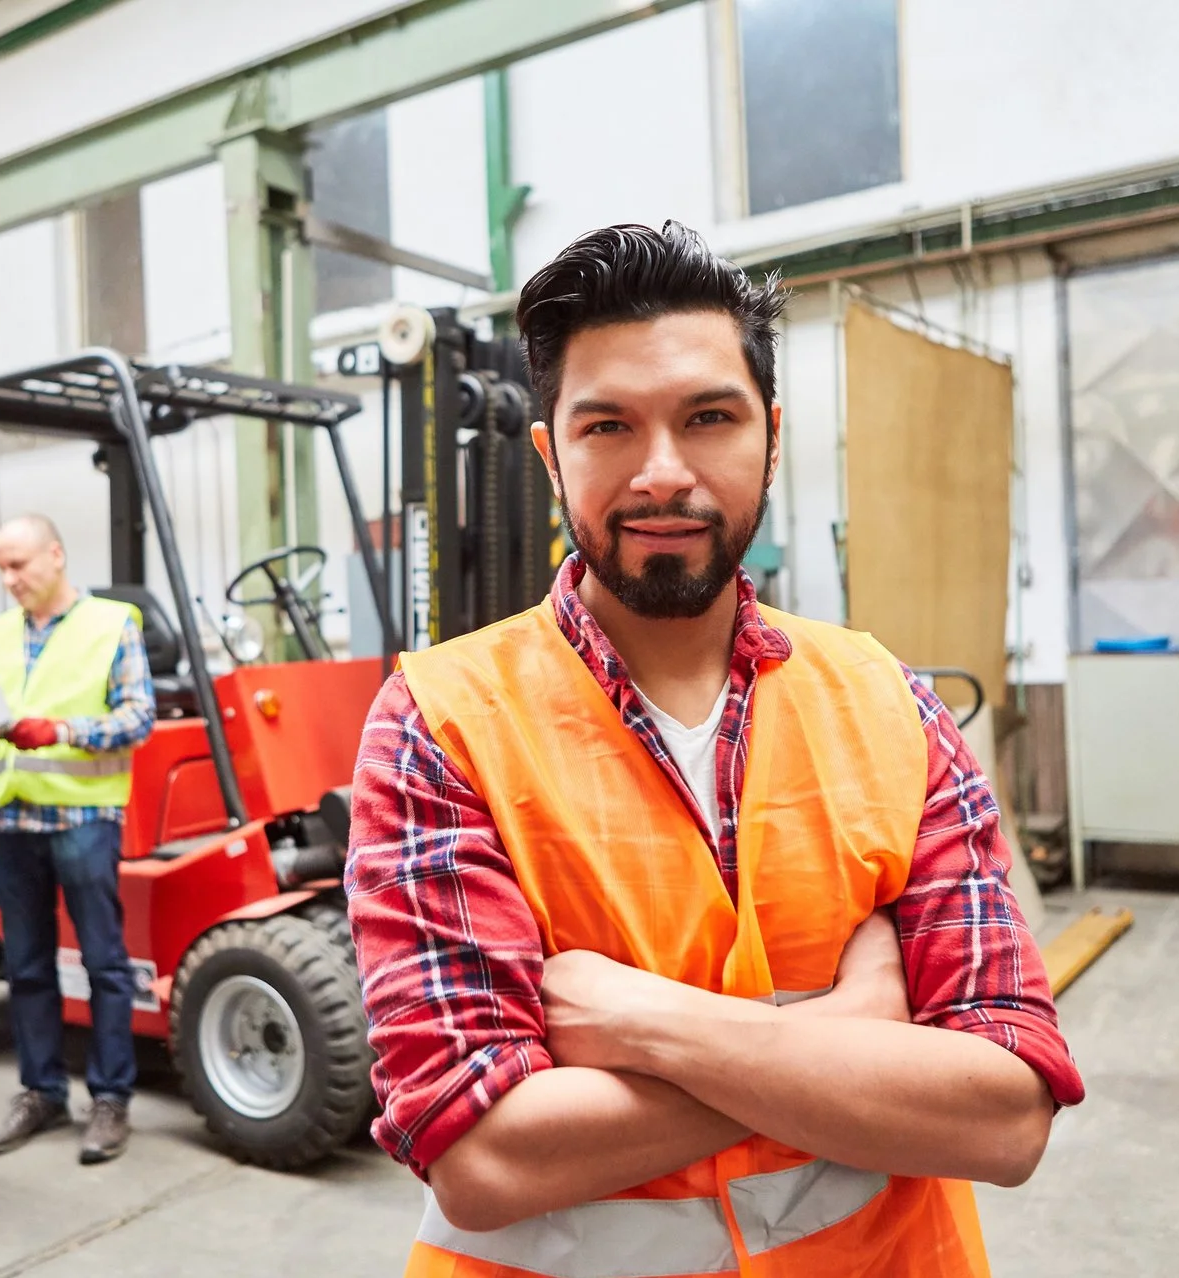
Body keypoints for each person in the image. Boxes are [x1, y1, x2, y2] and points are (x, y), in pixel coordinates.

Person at [345, 223, 1085, 1277]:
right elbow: (479, 1154)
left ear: (771, 437)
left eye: (708, 418)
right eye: (607, 426)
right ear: (552, 452)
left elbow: (1005, 1117)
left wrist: (649, 1025)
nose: (661, 473)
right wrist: (852, 1026)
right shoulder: (441, 722)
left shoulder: (889, 703)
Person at [0, 514, 154, 1166]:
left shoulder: (112, 624)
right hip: (9, 822)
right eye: (0, 566)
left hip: (82, 822)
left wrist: (62, 730)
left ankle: (110, 1100)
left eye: (18, 564)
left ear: (55, 555)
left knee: (105, 965)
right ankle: (40, 1090)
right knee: (24, 966)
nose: (8, 578)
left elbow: (139, 718)